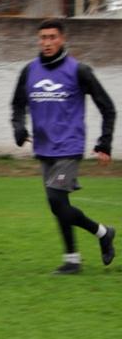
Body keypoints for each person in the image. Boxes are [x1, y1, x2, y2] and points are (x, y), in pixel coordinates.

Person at [11, 19, 116, 275]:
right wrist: (19, 128)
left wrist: (104, 142)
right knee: (59, 205)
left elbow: (108, 107)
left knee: (56, 199)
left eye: (52, 37)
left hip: (69, 147)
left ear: (62, 39)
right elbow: (17, 104)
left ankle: (101, 232)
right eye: (43, 38)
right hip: (45, 147)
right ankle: (73, 259)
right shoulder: (29, 71)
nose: (46, 43)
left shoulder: (79, 70)